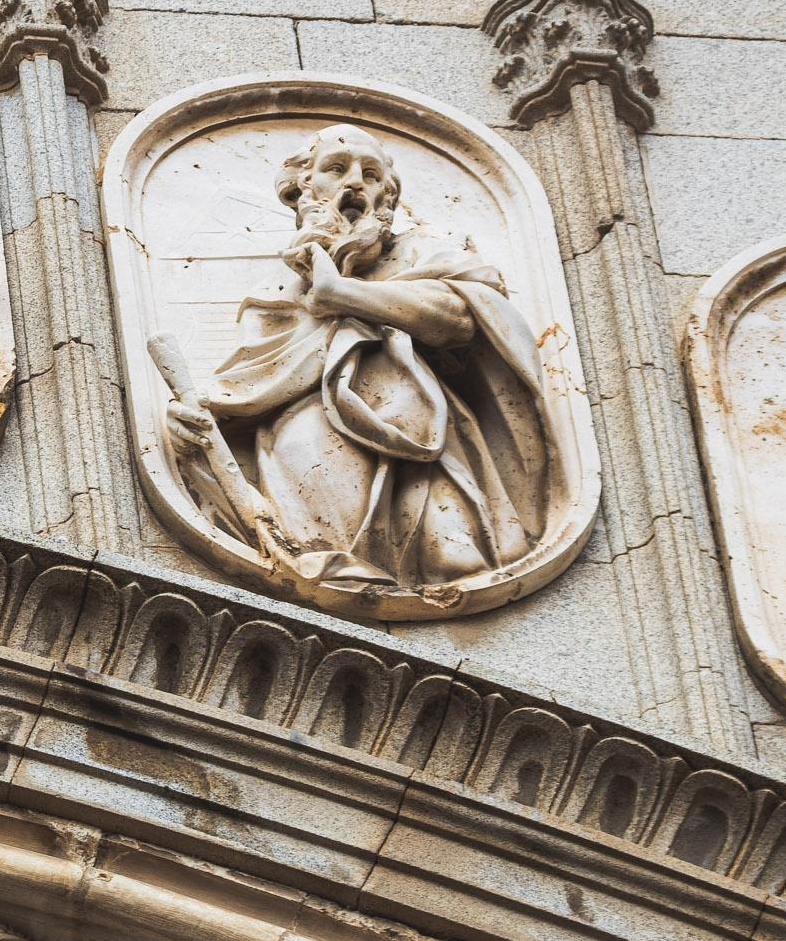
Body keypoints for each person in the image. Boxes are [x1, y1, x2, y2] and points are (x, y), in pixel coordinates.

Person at [163, 125, 555, 599]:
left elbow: (465, 318)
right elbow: (240, 391)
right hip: (307, 436)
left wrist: (342, 293)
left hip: (424, 435)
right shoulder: (275, 295)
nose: (355, 183)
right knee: (335, 553)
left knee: (456, 558)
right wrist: (187, 428)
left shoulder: (418, 252)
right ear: (303, 190)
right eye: (336, 169)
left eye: (370, 175)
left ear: (386, 197)